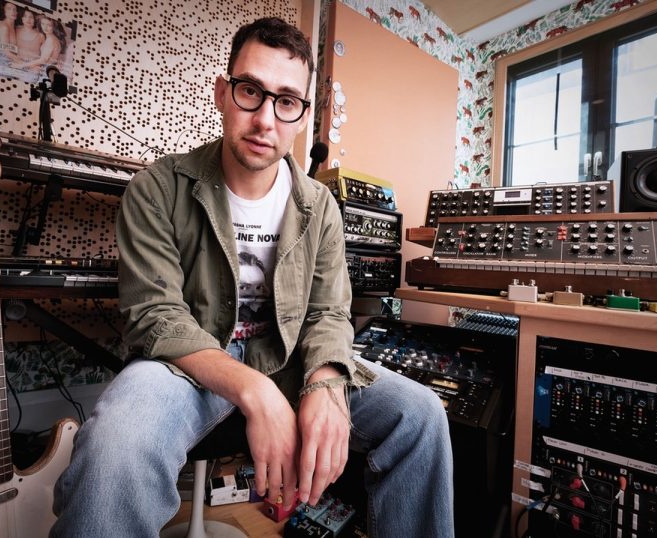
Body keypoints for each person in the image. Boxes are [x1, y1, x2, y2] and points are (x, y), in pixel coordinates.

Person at [50, 16, 454, 538]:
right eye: (250, 92)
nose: (266, 119)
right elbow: (155, 316)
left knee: (421, 415)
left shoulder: (320, 206)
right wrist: (256, 391)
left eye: (286, 101)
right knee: (116, 443)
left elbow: (329, 312)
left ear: (301, 115)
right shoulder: (157, 187)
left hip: (292, 360)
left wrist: (326, 381)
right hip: (190, 366)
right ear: (223, 93)